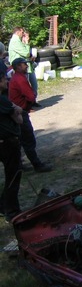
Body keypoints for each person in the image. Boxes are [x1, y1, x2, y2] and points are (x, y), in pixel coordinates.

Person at [8, 57, 52, 173]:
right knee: (28, 139)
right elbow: (31, 96)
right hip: (20, 112)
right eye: (24, 64)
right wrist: (29, 101)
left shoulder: (16, 78)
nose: (26, 66)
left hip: (15, 112)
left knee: (20, 140)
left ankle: (19, 165)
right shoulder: (20, 79)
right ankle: (37, 165)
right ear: (18, 67)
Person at [0, 70, 23, 221]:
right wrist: (15, 109)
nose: (7, 82)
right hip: (8, 143)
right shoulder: (3, 101)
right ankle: (11, 209)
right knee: (14, 174)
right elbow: (19, 117)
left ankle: (3, 205)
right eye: (4, 80)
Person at [8, 27, 39, 107]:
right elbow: (26, 53)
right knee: (25, 86)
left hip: (26, 65)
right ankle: (27, 104)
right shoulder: (15, 41)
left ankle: (33, 101)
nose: (23, 34)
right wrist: (26, 43)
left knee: (34, 84)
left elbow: (25, 54)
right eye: (22, 32)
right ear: (18, 32)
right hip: (19, 67)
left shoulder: (19, 41)